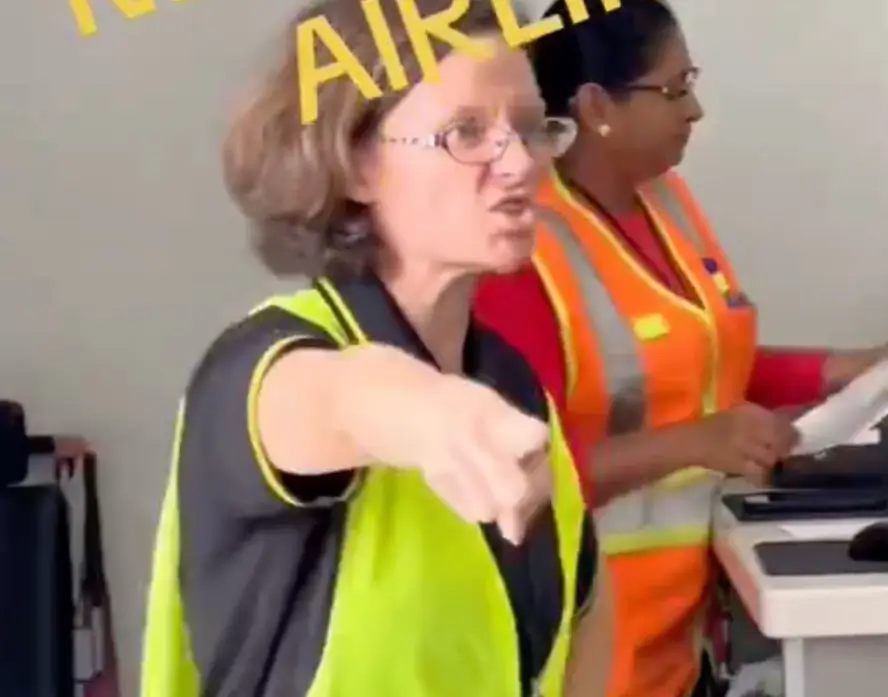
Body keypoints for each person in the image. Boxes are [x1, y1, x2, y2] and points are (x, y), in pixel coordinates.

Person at [138, 1, 613, 695]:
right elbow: (343, 396)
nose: (519, 163)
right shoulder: (262, 366)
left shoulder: (512, 386)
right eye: (467, 133)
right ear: (354, 163)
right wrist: (430, 411)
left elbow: (584, 613)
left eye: (530, 127)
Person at [472, 1, 888, 695]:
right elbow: (527, 478)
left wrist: (847, 369)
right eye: (674, 90)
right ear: (597, 104)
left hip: (683, 635)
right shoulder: (524, 253)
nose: (694, 109)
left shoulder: (666, 201)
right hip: (593, 652)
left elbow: (707, 367)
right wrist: (694, 443)